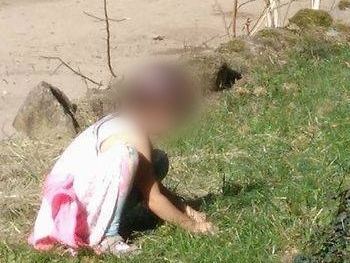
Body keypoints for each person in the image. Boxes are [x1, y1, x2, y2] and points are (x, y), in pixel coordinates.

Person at [29, 63, 214, 255]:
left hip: (60, 209)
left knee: (156, 162)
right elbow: (154, 198)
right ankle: (106, 236)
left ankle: (106, 222)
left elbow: (153, 186)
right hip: (70, 211)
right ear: (157, 110)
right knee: (128, 157)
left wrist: (185, 208)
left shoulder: (122, 121)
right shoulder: (134, 135)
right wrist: (192, 226)